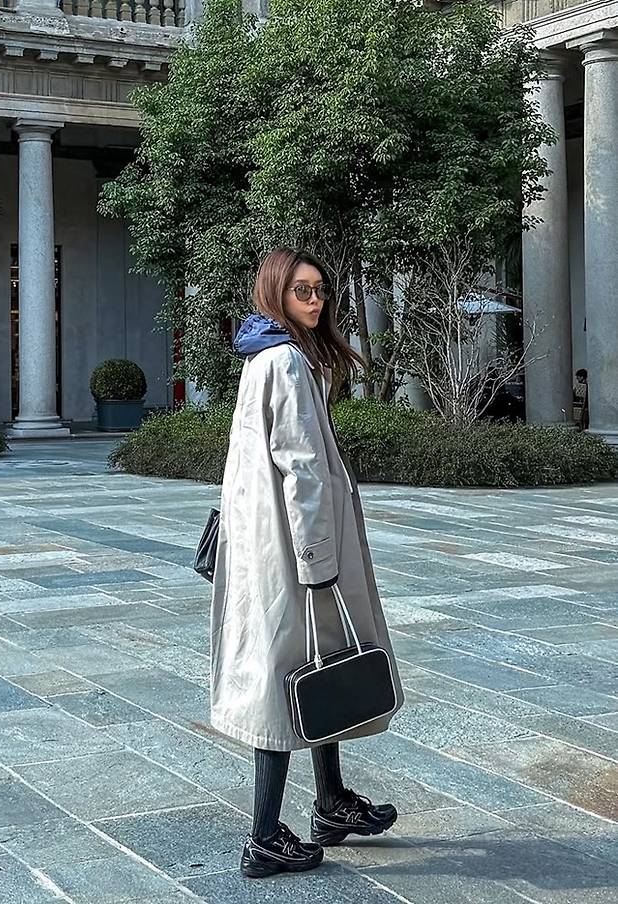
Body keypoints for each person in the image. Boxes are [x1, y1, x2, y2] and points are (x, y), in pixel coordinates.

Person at [210, 248, 402, 880]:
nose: (315, 301)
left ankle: (330, 802)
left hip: (269, 543)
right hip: (296, 549)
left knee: (319, 662)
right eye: (302, 290)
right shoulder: (286, 360)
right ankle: (265, 836)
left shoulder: (263, 354)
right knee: (286, 676)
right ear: (276, 292)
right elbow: (301, 469)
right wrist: (317, 558)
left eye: (320, 289)